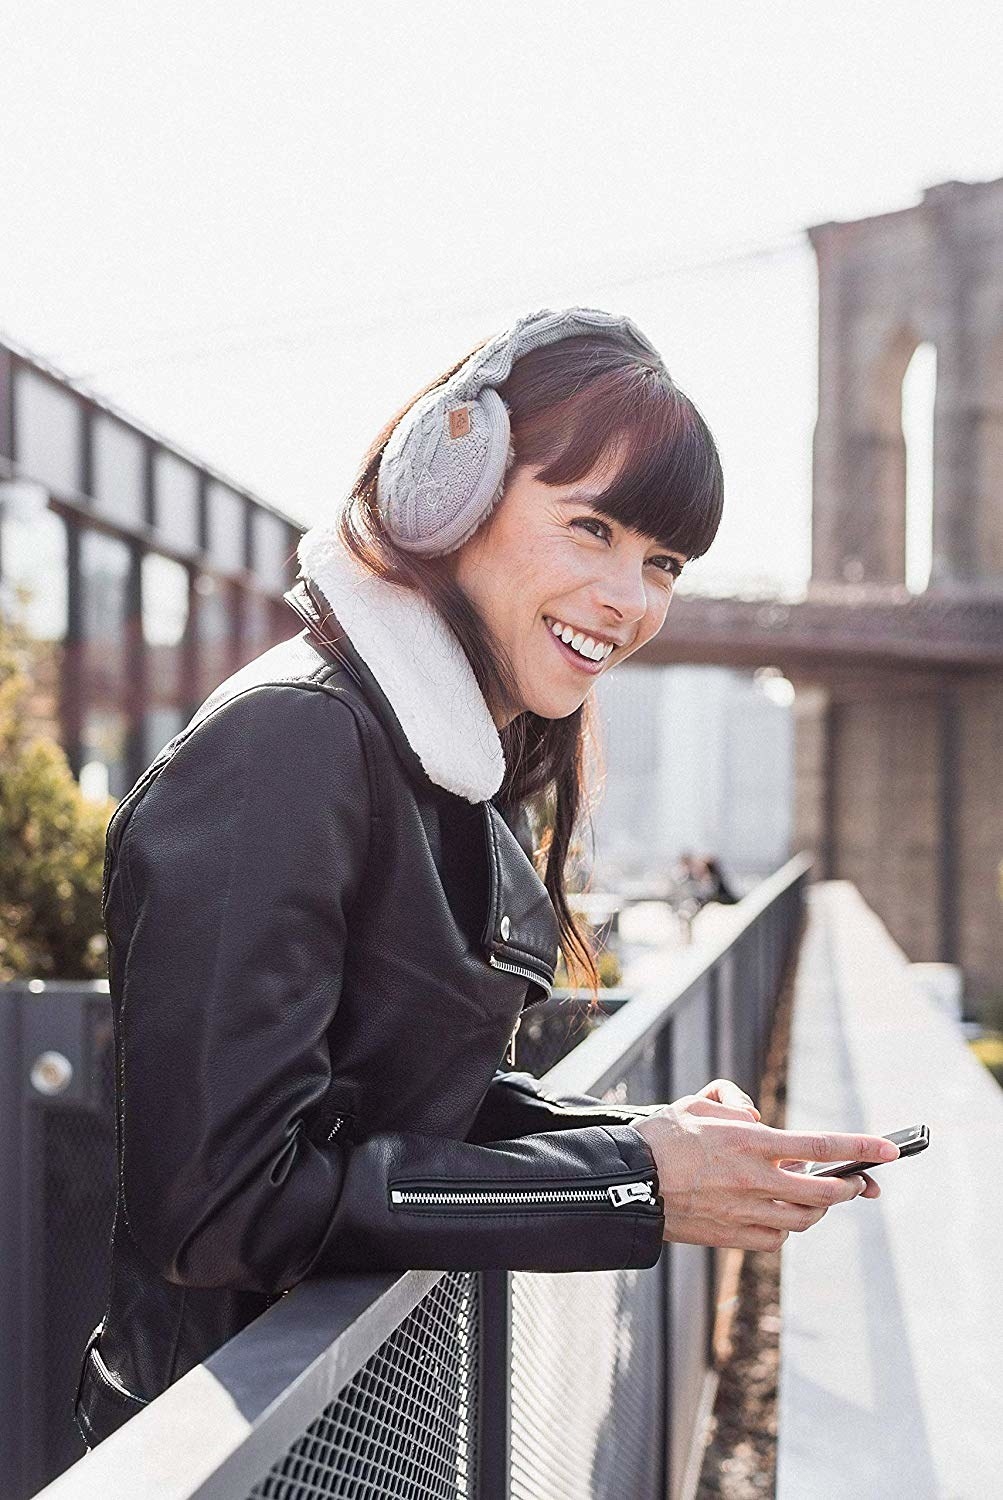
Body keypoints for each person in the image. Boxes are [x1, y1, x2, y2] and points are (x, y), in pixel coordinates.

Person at [72, 306, 897, 1450]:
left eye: (661, 561)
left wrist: (654, 1143)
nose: (630, 599)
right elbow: (220, 1203)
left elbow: (403, 1099)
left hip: (347, 1434)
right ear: (445, 498)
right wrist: (628, 1183)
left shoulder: (442, 757)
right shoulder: (289, 747)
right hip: (224, 1448)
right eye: (592, 528)